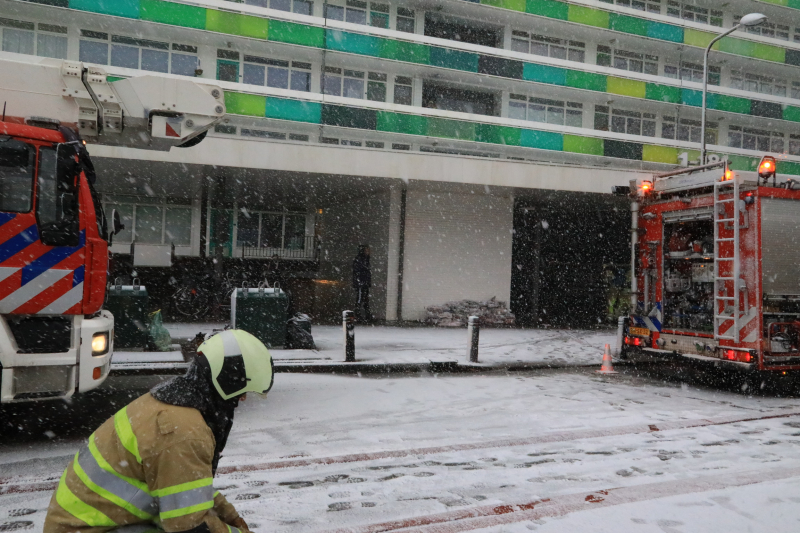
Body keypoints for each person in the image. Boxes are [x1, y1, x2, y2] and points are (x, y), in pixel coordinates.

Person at [43, 330, 275, 533]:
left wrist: (229, 515)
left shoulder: (174, 402)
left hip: (88, 525)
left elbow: (187, 488)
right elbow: (189, 526)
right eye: (243, 391)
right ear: (227, 383)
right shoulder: (183, 431)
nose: (243, 398)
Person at [352, 244, 372, 323]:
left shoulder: (365, 259)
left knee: (364, 299)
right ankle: (359, 315)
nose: (368, 252)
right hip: (361, 283)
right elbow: (358, 271)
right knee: (360, 299)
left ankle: (365, 315)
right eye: (367, 250)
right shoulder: (360, 259)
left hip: (364, 282)